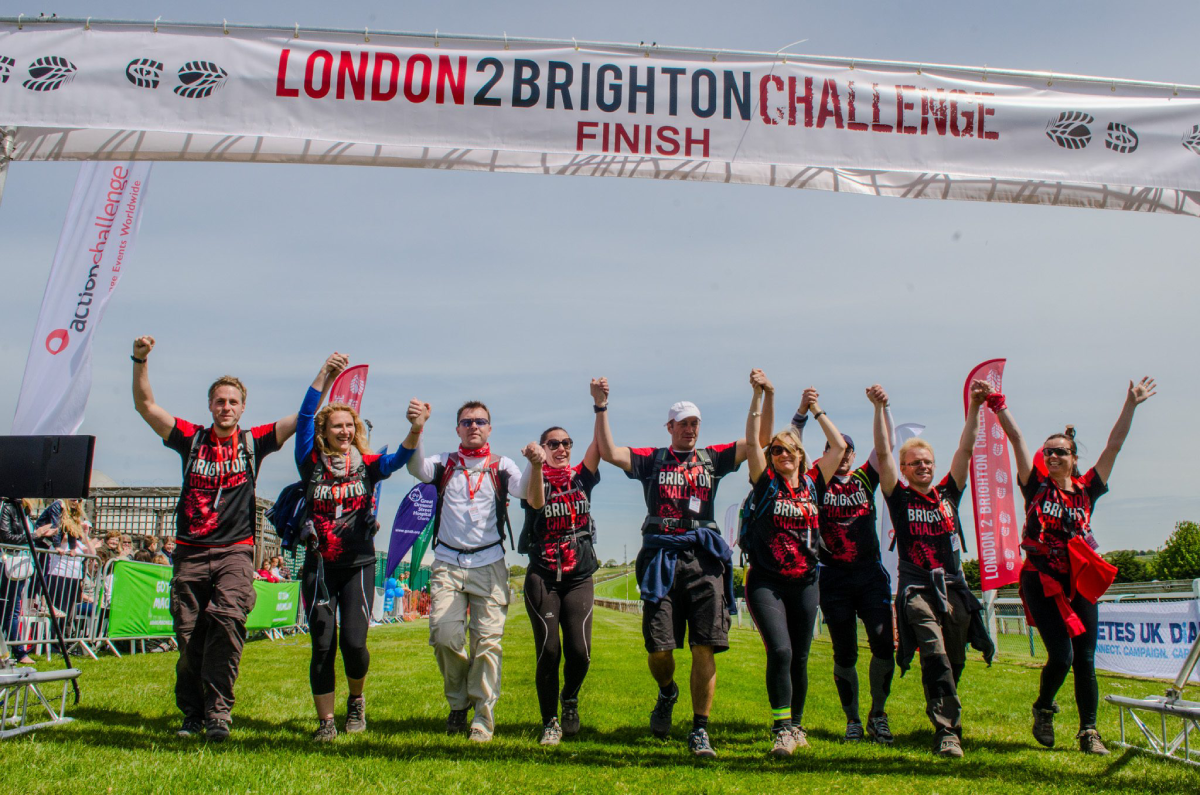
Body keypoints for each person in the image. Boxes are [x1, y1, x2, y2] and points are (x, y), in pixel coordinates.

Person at [131, 334, 297, 743]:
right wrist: (139, 360)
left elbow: (305, 417)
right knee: (189, 640)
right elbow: (146, 406)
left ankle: (219, 714)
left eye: (233, 402)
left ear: (243, 407)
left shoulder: (253, 442)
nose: (226, 407)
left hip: (235, 552)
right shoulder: (191, 438)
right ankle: (192, 714)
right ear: (210, 406)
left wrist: (325, 378)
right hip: (190, 552)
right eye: (219, 401)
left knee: (227, 621)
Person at [984, 377, 1156, 755]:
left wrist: (1131, 404)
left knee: (1086, 658)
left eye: (1060, 452)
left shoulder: (1088, 488)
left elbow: (1115, 445)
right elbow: (1017, 440)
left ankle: (1089, 731)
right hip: (1041, 580)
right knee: (1061, 655)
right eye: (1048, 453)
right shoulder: (1036, 486)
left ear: (1074, 457)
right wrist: (998, 403)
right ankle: (1044, 707)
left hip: (1078, 581)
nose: (1052, 457)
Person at [593, 376, 747, 758]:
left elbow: (755, 443)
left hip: (704, 559)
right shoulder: (654, 459)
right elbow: (610, 451)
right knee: (660, 648)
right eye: (684, 424)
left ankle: (699, 729)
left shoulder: (713, 458)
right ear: (670, 428)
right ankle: (667, 691)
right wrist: (601, 406)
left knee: (704, 646)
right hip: (662, 557)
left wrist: (761, 398)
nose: (691, 429)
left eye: (695, 423)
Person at [763, 385, 898, 743]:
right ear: (823, 456)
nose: (847, 454)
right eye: (840, 449)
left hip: (870, 574)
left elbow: (885, 448)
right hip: (833, 577)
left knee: (884, 645)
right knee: (845, 651)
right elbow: (791, 444)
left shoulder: (864, 478)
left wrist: (879, 408)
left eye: (851, 450)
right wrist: (808, 412)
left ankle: (878, 714)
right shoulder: (816, 483)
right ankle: (852, 719)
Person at [404, 396, 541, 742]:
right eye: (467, 422)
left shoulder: (501, 464)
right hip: (448, 563)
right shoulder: (444, 462)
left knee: (487, 643)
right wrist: (417, 428)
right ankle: (459, 701)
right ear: (457, 429)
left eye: (480, 422)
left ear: (490, 428)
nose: (474, 427)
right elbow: (416, 469)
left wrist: (534, 464)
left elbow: (524, 490)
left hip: (489, 563)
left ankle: (482, 715)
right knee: (445, 636)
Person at [295, 354, 415, 742]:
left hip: (359, 565)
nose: (344, 431)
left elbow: (400, 458)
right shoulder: (309, 460)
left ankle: (357, 700)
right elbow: (302, 419)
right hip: (319, 566)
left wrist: (417, 428)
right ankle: (326, 722)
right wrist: (325, 375)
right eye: (337, 426)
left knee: (354, 643)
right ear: (325, 431)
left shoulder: (367, 464)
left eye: (350, 425)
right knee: (323, 644)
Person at [871, 382, 994, 758]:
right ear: (905, 470)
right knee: (933, 650)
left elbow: (966, 448)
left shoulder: (948, 494)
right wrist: (879, 409)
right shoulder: (899, 496)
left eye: (927, 462)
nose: (922, 467)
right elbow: (883, 452)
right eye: (915, 463)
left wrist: (974, 406)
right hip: (916, 588)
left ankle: (943, 709)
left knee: (954, 658)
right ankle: (947, 731)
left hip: (953, 586)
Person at [743, 370, 846, 756]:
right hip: (767, 581)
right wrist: (758, 397)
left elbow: (836, 446)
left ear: (802, 455)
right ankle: (782, 728)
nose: (783, 455)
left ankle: (798, 725)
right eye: (777, 451)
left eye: (790, 450)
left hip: (806, 580)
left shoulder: (815, 482)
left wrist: (815, 409)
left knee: (801, 656)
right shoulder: (766, 482)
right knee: (781, 652)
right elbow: (754, 441)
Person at [519, 391, 605, 746]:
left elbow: (600, 444)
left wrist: (600, 406)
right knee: (549, 650)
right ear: (542, 447)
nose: (562, 448)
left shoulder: (581, 478)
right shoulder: (531, 479)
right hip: (543, 575)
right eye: (554, 443)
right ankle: (550, 721)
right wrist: (537, 466)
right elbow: (536, 503)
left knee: (580, 653)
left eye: (567, 443)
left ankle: (569, 697)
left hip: (579, 575)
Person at [0, 498, 37, 663]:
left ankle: (16, 651)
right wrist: (36, 535)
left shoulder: (23, 511)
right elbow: (6, 537)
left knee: (13, 610)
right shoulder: (7, 507)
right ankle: (17, 652)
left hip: (19, 565)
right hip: (7, 564)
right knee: (8, 610)